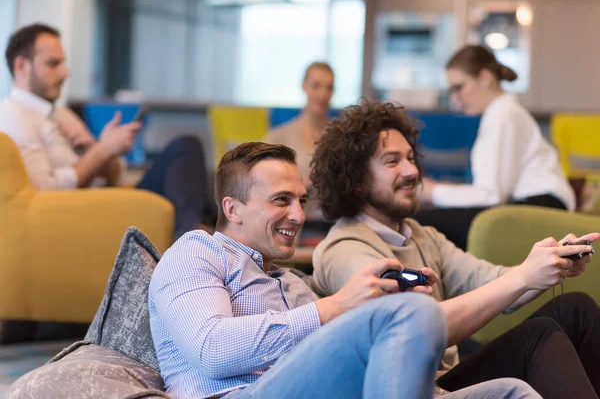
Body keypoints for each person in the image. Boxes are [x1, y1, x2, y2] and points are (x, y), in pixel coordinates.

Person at [148, 142, 541, 399]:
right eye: (281, 200)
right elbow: (212, 350)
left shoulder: (292, 285)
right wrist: (335, 308)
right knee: (412, 312)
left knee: (511, 392)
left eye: (302, 200)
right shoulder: (196, 253)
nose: (299, 215)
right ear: (232, 209)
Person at [310, 99, 600, 399]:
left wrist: (550, 263)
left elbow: (495, 281)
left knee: (576, 309)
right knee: (537, 337)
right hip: (417, 387)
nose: (412, 171)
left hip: (447, 374)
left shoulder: (422, 235)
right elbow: (415, 331)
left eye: (411, 158)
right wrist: (525, 276)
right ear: (356, 181)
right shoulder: (344, 249)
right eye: (393, 161)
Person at [0, 23, 216, 240]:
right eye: (53, 64)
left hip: (108, 196)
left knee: (187, 151)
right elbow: (44, 191)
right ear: (21, 66)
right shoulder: (13, 115)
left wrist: (101, 148)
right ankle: (195, 241)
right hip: (85, 211)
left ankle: (199, 235)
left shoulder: (61, 114)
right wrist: (102, 150)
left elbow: (115, 175)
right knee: (186, 156)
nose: (65, 72)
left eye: (63, 63)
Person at [414, 45, 575, 250]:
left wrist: (431, 192)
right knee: (426, 221)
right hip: (534, 205)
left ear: (485, 78)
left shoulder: (503, 115)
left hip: (542, 208)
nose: (455, 98)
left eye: (459, 87)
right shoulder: (501, 113)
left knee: (421, 223)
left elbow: (491, 195)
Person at [264, 62, 335, 241]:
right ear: (304, 86)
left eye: (329, 88)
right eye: (316, 85)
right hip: (290, 226)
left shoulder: (341, 139)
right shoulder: (278, 137)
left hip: (331, 224)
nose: (323, 94)